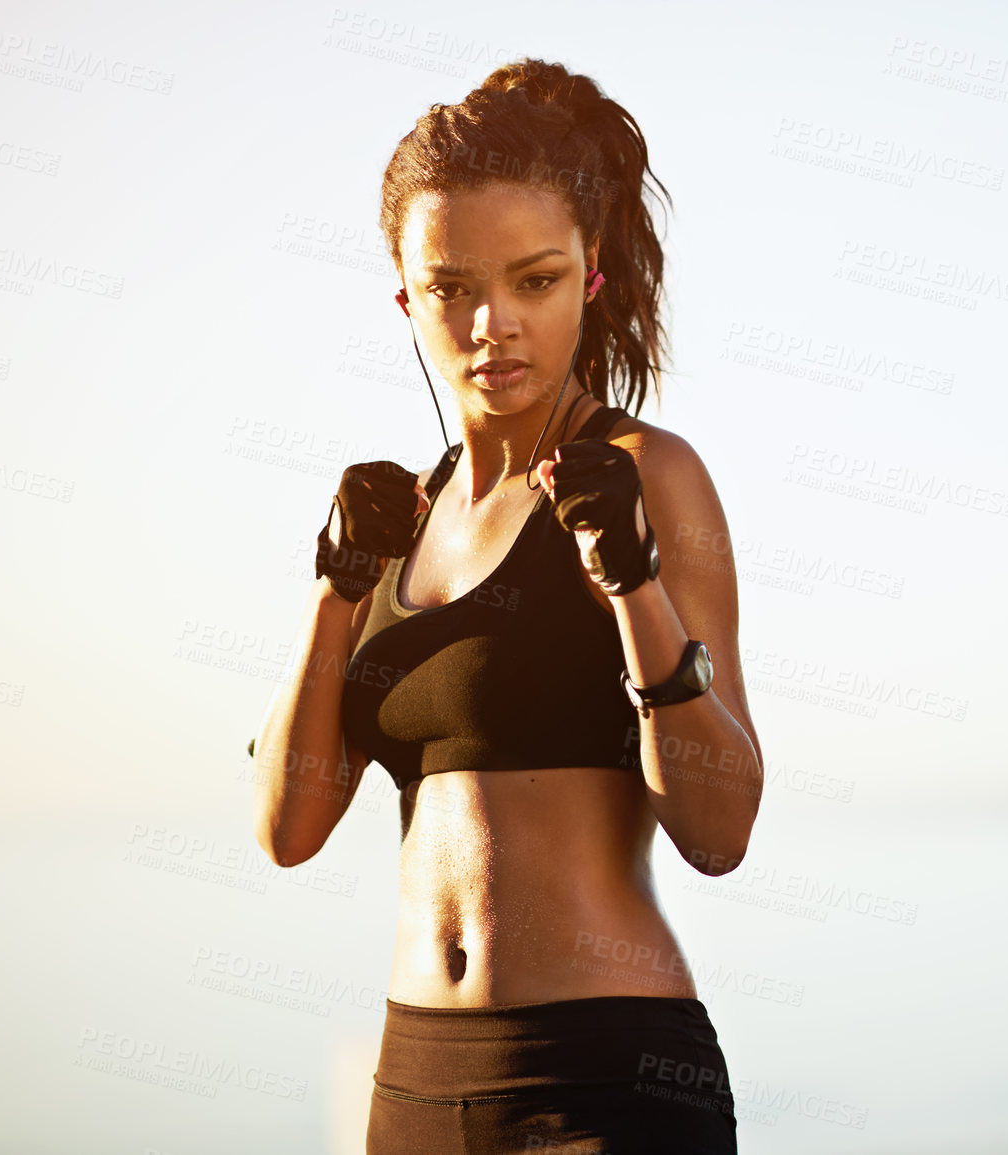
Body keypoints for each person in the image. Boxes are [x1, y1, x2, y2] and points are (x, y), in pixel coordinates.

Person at [250, 57, 763, 1154]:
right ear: (406, 294)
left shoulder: (649, 474)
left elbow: (720, 830)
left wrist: (631, 586)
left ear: (588, 279)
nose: (493, 325)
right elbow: (287, 828)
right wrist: (335, 591)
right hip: (415, 1079)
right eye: (452, 287)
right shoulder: (407, 515)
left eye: (533, 280)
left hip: (603, 1078)